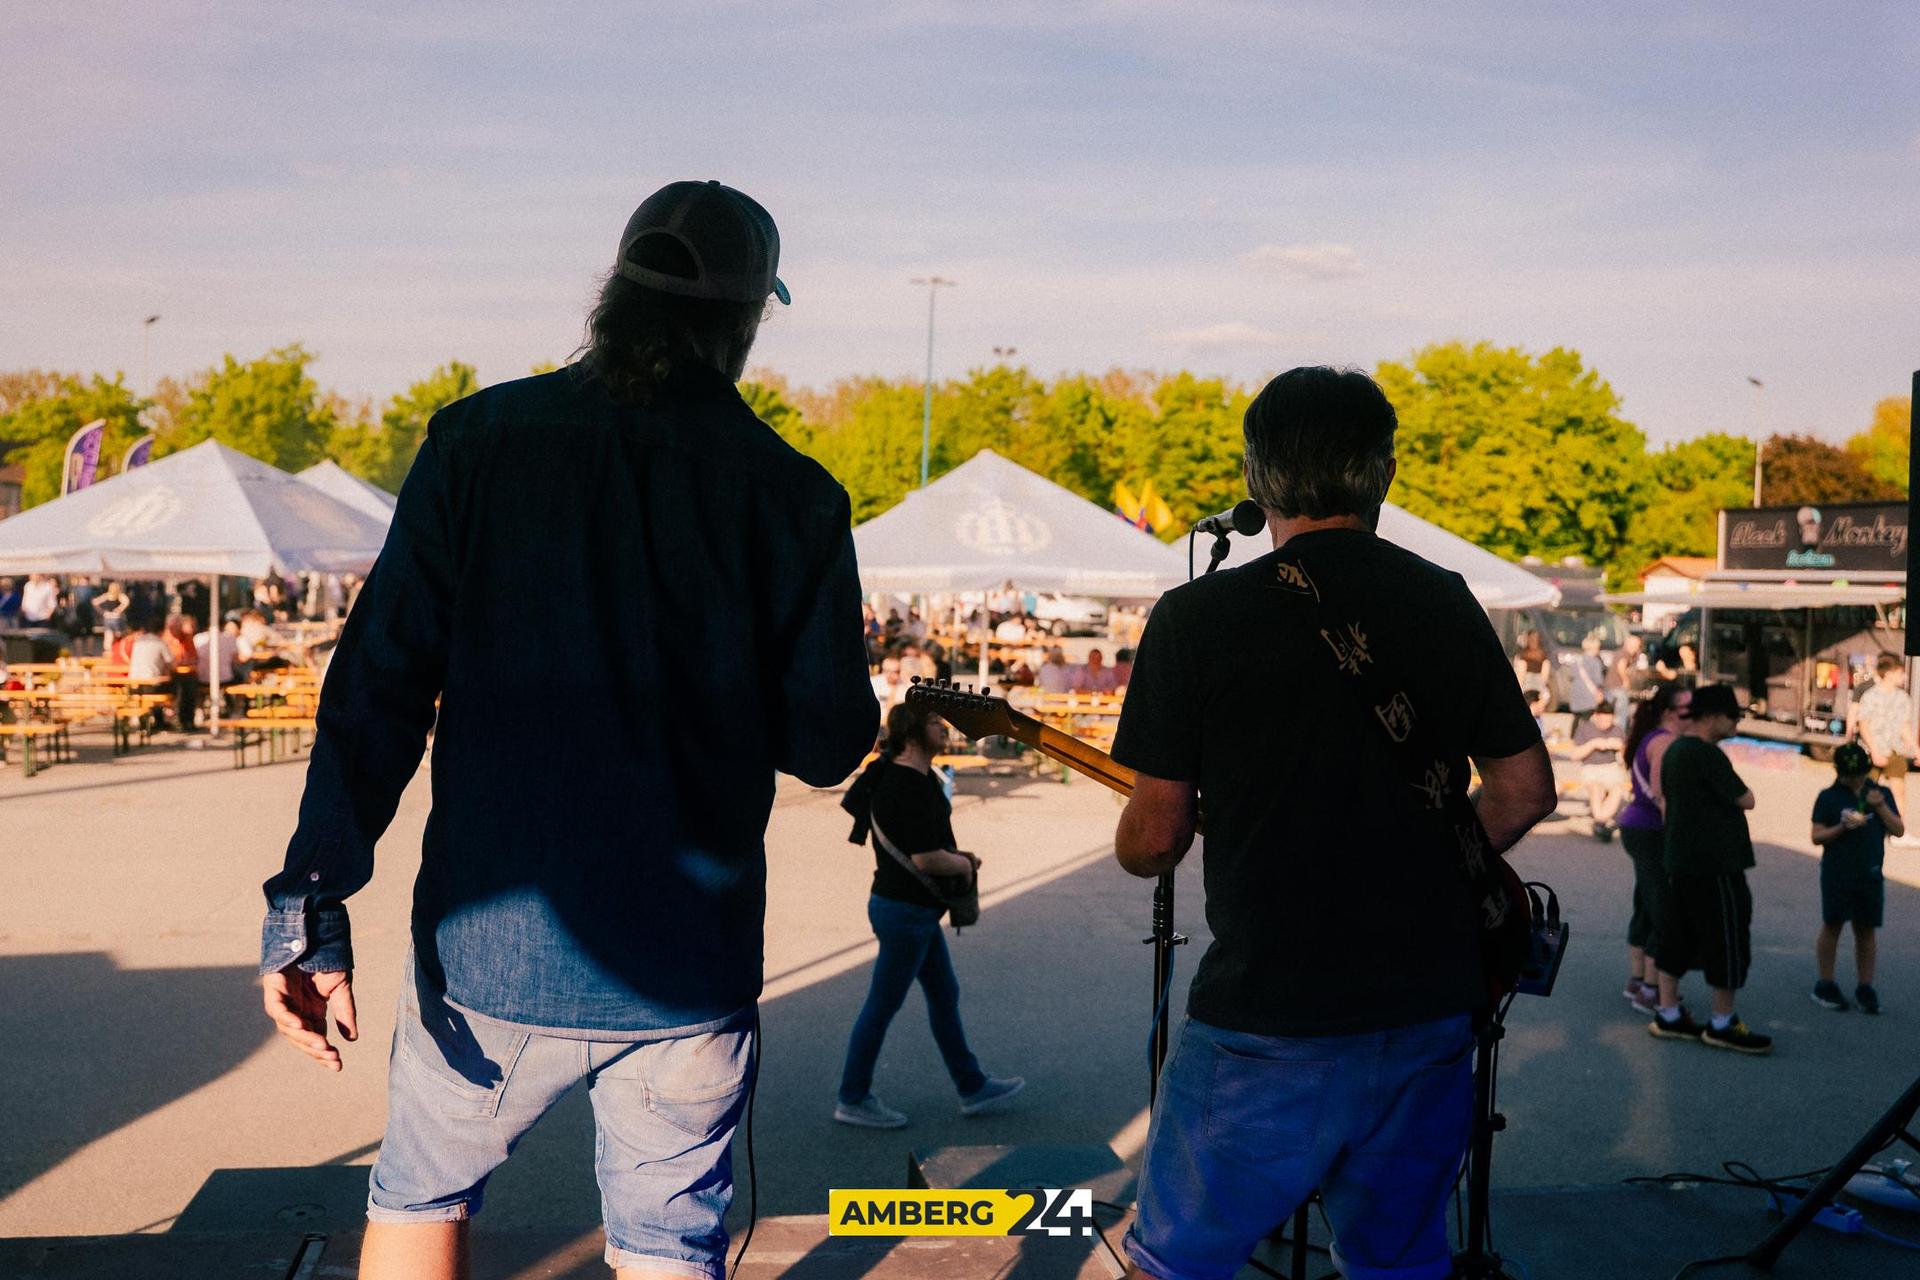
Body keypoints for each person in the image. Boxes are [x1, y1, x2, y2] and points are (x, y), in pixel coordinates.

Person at [257, 179, 878, 1280]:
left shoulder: (475, 443)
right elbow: (828, 743)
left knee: (418, 1199)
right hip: (687, 965)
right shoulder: (796, 497)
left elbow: (377, 687)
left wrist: (307, 903)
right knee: (668, 1247)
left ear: (614, 294)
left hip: (488, 952)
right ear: (745, 323)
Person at [1108, 366, 1556, 1280]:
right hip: (1429, 1004)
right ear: (1383, 471)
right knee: (1397, 1261)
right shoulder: (1446, 598)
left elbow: (1154, 839)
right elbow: (1522, 791)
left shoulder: (1198, 617)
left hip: (1270, 1014)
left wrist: (1145, 829)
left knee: (1180, 1261)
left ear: (1256, 473)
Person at [833, 702, 1023, 1128]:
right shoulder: (908, 786)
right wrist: (967, 863)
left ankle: (971, 1085)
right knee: (882, 1004)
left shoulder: (897, 776)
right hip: (906, 912)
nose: (945, 729)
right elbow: (927, 859)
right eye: (937, 723)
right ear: (915, 734)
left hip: (905, 909)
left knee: (943, 993)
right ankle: (853, 1096)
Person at [1648, 683, 1772, 1054]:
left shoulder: (1675, 751)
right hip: (1716, 863)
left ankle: (1668, 1012)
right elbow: (1746, 798)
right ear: (1712, 717)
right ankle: (1722, 1021)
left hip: (1681, 860)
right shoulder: (1707, 755)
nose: (1736, 723)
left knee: (1678, 934)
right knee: (1728, 939)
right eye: (1732, 716)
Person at [1616, 685, 1690, 1014]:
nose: (1694, 716)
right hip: (1651, 831)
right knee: (1663, 910)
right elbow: (1663, 795)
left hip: (1638, 827)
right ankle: (1651, 989)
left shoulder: (1651, 737)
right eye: (1687, 710)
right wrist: (1678, 839)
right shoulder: (1665, 742)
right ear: (1667, 713)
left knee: (1647, 902)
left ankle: (1638, 980)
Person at [1809, 742, 1897, 1014]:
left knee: (1866, 929)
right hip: (1837, 872)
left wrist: (1880, 807)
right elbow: (1816, 836)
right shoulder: (1829, 797)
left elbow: (1899, 829)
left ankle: (1865, 986)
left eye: (1860, 773)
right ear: (1839, 772)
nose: (1856, 779)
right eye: (1850, 774)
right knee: (1832, 924)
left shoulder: (1880, 793)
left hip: (1869, 872)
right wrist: (1842, 827)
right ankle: (1825, 982)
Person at [1852, 654, 1917, 849]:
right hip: (1873, 749)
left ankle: (1897, 829)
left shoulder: (1903, 698)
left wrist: (1915, 748)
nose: (1903, 677)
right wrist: (1873, 751)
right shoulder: (1871, 695)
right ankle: (1858, 824)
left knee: (1899, 789)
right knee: (1866, 788)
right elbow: (1863, 724)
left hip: (1894, 749)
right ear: (1888, 673)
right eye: (1899, 672)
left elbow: (1904, 727)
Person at [1565, 702, 1627, 840]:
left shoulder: (1617, 730)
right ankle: (1601, 822)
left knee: (1617, 790)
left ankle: (1600, 821)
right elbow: (1575, 756)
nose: (1606, 723)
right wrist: (1593, 744)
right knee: (1596, 789)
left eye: (1609, 720)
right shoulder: (1585, 729)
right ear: (1596, 716)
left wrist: (1620, 748)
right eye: (1603, 720)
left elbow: (1624, 759)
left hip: (1611, 767)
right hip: (1591, 767)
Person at [1513, 629, 1552, 719]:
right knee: (1539, 711)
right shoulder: (1544, 656)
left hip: (1526, 687)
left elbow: (1521, 675)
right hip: (1539, 688)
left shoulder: (1522, 655)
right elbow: (1545, 676)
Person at [1568, 632, 1606, 724]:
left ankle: (1573, 736)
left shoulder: (1576, 660)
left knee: (1576, 718)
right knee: (1587, 719)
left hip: (1576, 692)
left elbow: (1571, 676)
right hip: (1590, 695)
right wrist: (1600, 693)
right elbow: (1598, 681)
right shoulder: (1596, 662)